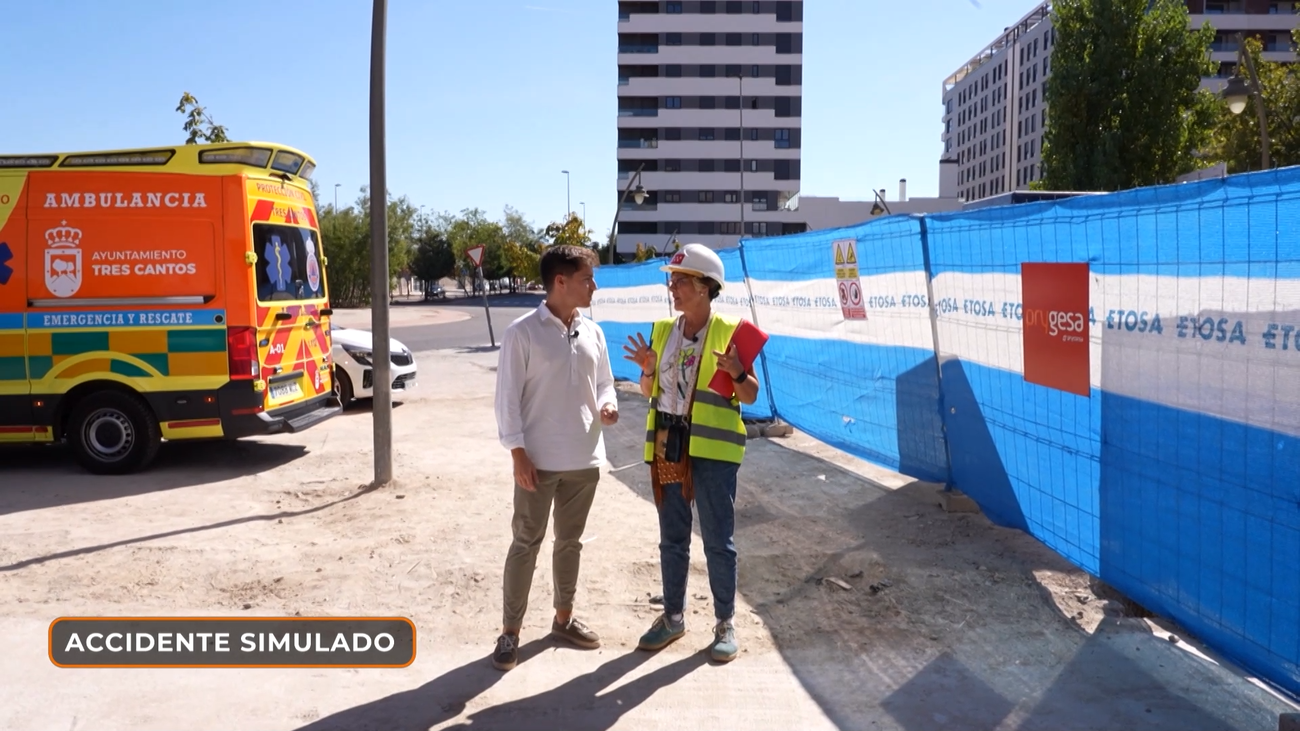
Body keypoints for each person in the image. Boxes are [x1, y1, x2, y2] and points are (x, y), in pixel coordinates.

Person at [621, 243, 761, 664]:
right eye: (672, 279)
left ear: (705, 287)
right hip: (669, 444)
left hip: (714, 454)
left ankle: (724, 623)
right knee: (672, 538)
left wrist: (736, 371)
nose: (673, 287)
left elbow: (750, 396)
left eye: (681, 281)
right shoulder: (663, 331)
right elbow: (650, 392)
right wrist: (647, 369)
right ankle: (674, 617)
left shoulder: (732, 332)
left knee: (718, 540)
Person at [491, 244, 619, 671]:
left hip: (584, 461)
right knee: (526, 543)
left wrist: (607, 404)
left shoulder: (593, 332)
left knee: (570, 544)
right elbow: (507, 400)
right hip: (538, 463)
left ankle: (563, 620)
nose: (594, 286)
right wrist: (517, 453)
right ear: (560, 282)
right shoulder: (522, 333)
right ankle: (510, 633)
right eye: (587, 278)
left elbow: (604, 382)